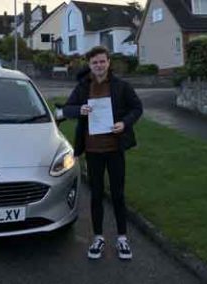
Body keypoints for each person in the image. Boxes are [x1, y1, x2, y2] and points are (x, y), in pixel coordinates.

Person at [62, 46, 143, 260]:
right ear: (89, 65)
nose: (99, 65)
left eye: (102, 61)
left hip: (115, 149)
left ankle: (122, 239)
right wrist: (79, 110)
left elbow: (137, 108)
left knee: (118, 194)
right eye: (94, 62)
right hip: (92, 151)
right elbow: (66, 109)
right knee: (96, 195)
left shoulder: (121, 86)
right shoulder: (82, 87)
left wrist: (124, 123)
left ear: (109, 63)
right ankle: (98, 238)